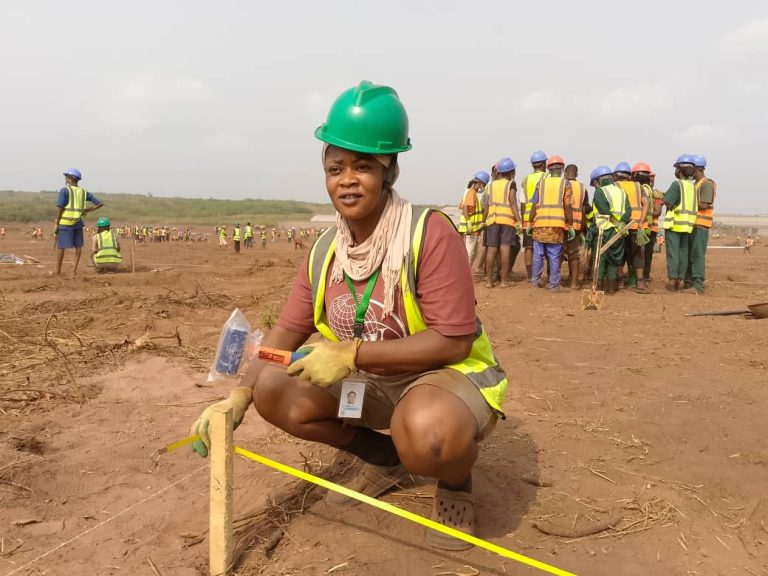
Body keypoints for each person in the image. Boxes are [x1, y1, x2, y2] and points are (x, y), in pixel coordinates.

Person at [189, 81, 507, 551]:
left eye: (364, 166)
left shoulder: (428, 233)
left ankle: (455, 482)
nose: (348, 179)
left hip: (441, 376)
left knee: (430, 434)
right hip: (372, 380)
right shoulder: (325, 250)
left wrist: (351, 354)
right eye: (336, 168)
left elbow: (453, 340)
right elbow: (285, 332)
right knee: (273, 390)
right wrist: (238, 397)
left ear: (390, 170)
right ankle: (384, 457)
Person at [528, 156, 573, 291]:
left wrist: (530, 222)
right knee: (554, 255)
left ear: (548, 168)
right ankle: (554, 285)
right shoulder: (565, 184)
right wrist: (570, 225)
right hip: (556, 225)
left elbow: (534, 205)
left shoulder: (541, 183)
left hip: (540, 224)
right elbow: (567, 206)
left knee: (538, 254)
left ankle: (535, 281)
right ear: (562, 168)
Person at [589, 166, 631, 293]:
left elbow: (603, 210)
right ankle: (611, 289)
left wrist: (615, 222)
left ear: (598, 180)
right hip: (619, 233)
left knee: (600, 259)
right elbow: (628, 210)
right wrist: (622, 223)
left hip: (604, 231)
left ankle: (597, 289)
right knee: (614, 260)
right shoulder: (622, 193)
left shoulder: (600, 192)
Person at [54, 168, 103, 276]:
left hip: (65, 222)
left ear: (70, 179)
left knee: (61, 246)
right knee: (78, 246)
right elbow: (99, 203)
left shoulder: (64, 190)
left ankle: (57, 271)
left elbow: (60, 208)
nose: (65, 179)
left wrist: (57, 222)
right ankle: (73, 271)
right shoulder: (83, 192)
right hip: (78, 223)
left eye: (66, 177)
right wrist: (87, 210)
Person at [483, 157, 521, 288]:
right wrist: (518, 220)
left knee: (491, 250)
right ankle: (504, 282)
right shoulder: (511, 184)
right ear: (511, 171)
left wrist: (483, 221)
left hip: (492, 220)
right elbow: (512, 202)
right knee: (505, 249)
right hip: (507, 220)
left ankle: (489, 282)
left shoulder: (490, 185)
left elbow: (487, 205)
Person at [663, 155, 698, 292]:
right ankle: (680, 281)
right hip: (688, 226)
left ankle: (672, 281)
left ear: (680, 170)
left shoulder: (677, 184)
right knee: (683, 253)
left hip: (675, 224)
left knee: (673, 253)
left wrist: (663, 197)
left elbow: (669, 202)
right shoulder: (692, 186)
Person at [614, 162, 650, 293]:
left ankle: (620, 282)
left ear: (616, 175)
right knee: (638, 254)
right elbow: (646, 203)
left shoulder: (615, 186)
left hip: (621, 227)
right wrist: (641, 221)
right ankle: (640, 283)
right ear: (629, 176)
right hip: (636, 226)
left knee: (620, 254)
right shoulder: (637, 186)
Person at [684, 155, 716, 294]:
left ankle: (698, 285)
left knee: (697, 255)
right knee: (690, 255)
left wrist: (685, 202)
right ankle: (689, 282)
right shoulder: (696, 184)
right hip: (692, 225)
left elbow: (704, 204)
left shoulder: (706, 184)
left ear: (695, 169)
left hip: (700, 225)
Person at [520, 151, 548, 280]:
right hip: (542, 217)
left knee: (529, 247)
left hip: (527, 218)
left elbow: (522, 202)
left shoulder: (525, 180)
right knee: (546, 247)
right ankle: (543, 275)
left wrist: (523, 221)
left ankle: (531, 275)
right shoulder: (547, 177)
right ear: (544, 164)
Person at [563, 164, 587, 289]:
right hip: (577, 225)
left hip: (562, 224)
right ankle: (573, 283)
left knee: (558, 253)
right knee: (574, 254)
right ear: (576, 174)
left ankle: (554, 281)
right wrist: (582, 228)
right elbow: (584, 209)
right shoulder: (582, 188)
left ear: (565, 173)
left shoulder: (562, 185)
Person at [458, 171, 488, 265]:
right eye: (483, 185)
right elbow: (465, 208)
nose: (482, 187)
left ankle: (466, 271)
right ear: (479, 183)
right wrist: (469, 222)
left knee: (473, 253)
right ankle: (464, 272)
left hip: (474, 229)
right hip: (471, 228)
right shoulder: (471, 193)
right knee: (470, 253)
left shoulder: (471, 192)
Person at [644, 172, 664, 275]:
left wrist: (642, 212)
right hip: (641, 227)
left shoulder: (657, 194)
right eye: (650, 179)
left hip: (651, 229)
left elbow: (658, 212)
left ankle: (645, 275)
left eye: (653, 179)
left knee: (647, 255)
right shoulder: (641, 192)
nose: (651, 181)